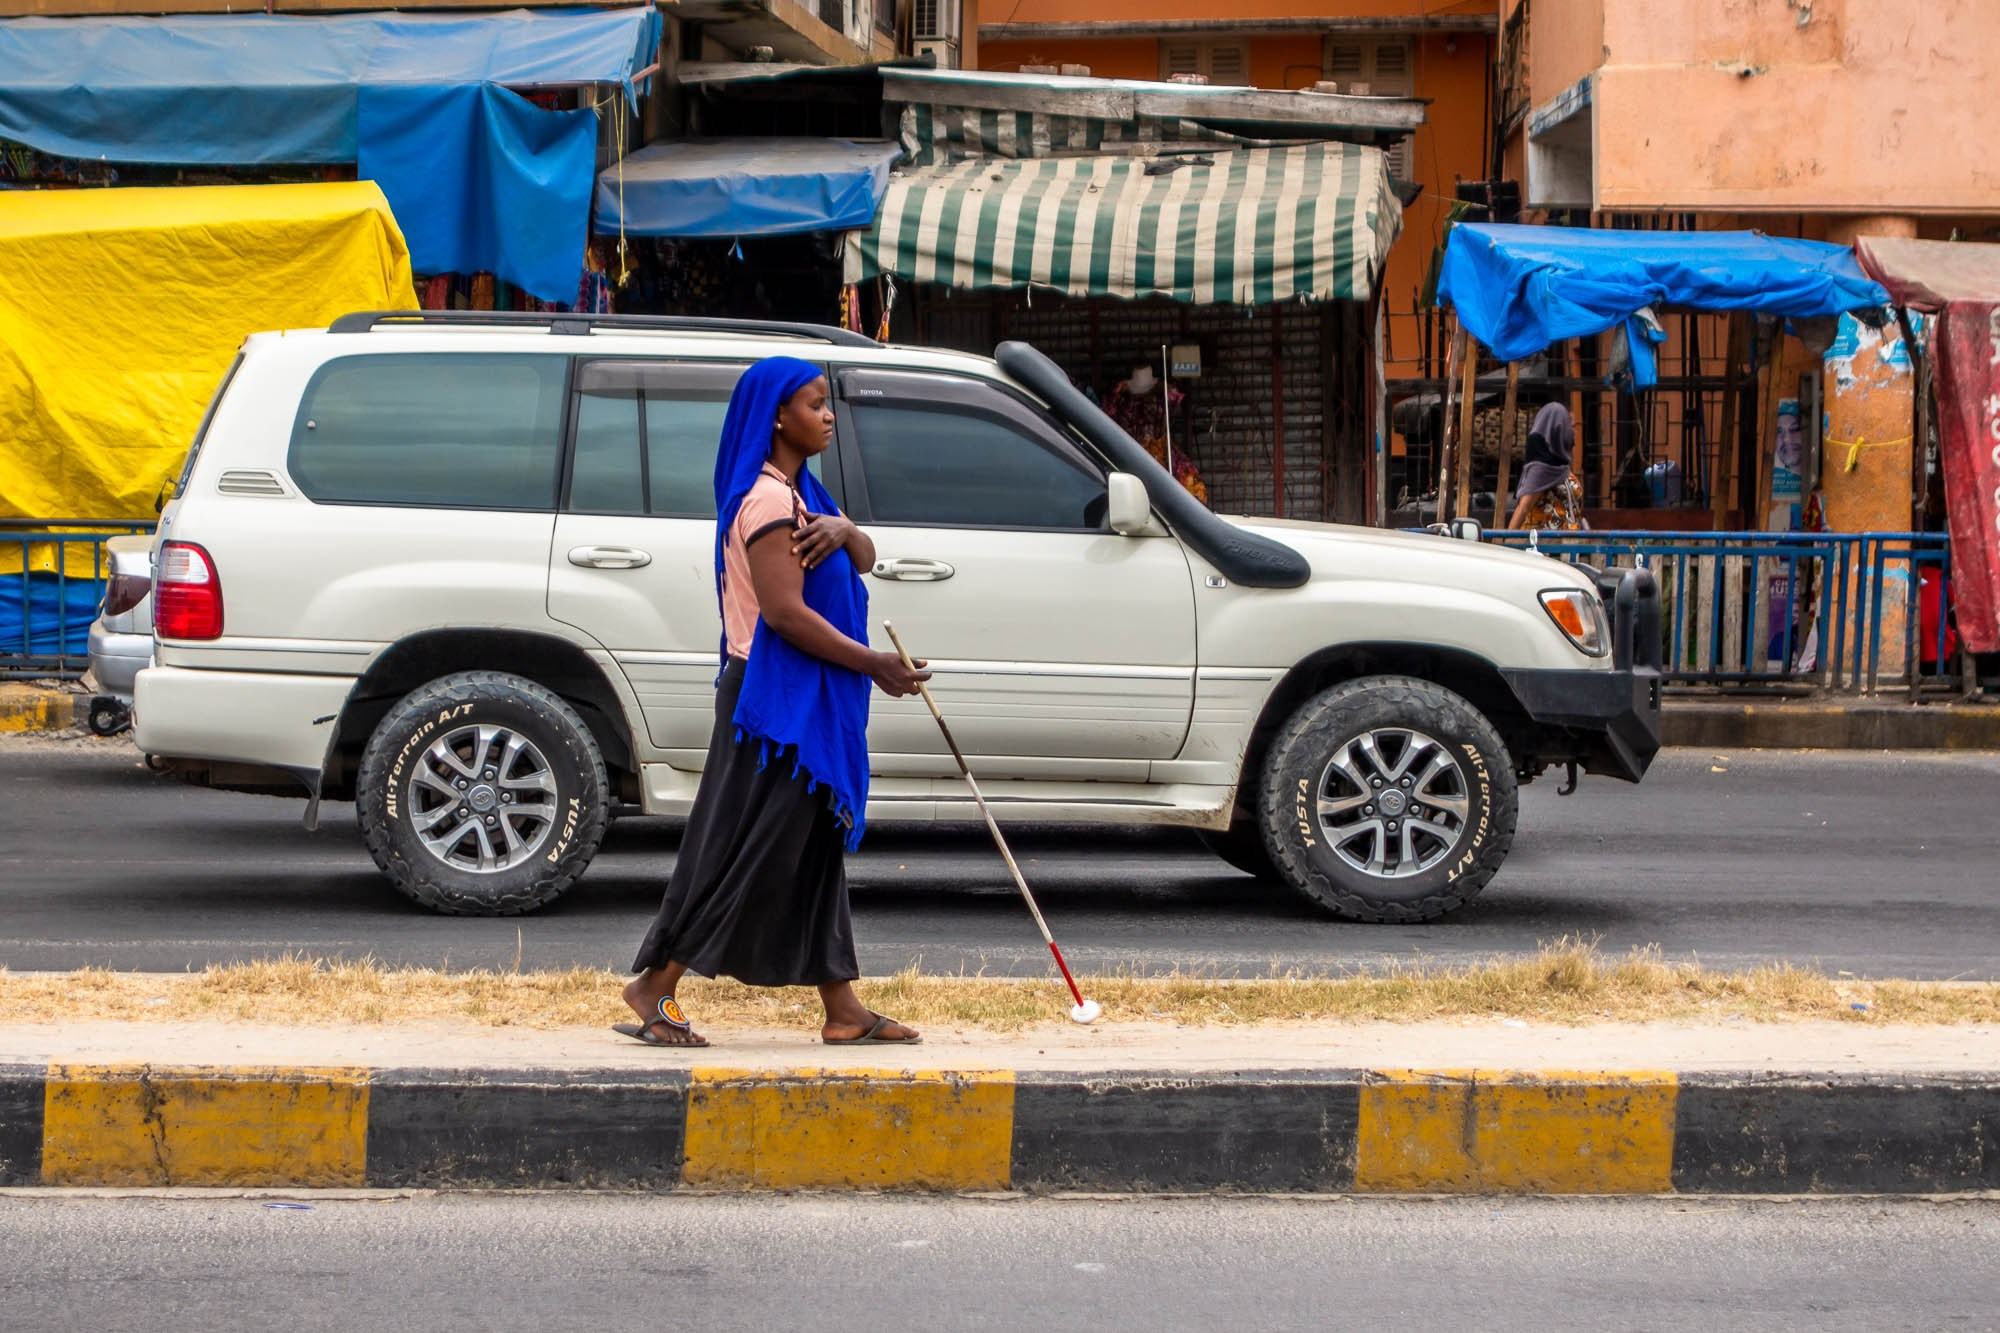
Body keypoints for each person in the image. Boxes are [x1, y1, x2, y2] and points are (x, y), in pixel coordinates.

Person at [617, 356, 931, 1049]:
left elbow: (868, 557)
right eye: (816, 403)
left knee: (813, 848)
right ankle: (654, 985)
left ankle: (843, 1007)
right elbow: (785, 616)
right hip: (773, 706)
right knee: (753, 849)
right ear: (778, 417)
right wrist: (874, 663)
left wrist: (847, 532)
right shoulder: (766, 503)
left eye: (828, 403)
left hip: (801, 697)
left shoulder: (806, 495)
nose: (828, 415)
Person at [1507, 401, 1588, 531]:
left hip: (1567, 546)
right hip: (1542, 547)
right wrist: (1506, 544)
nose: (1575, 432)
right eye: (1571, 427)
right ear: (1557, 429)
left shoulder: (1562, 464)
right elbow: (1523, 509)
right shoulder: (1541, 469)